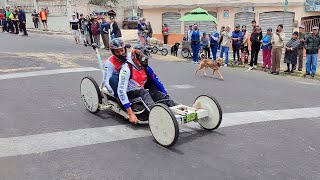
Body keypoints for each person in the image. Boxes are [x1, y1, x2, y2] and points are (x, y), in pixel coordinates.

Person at [118, 49, 176, 124]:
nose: (144, 61)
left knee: (158, 94)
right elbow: (121, 91)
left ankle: (175, 109)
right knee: (144, 92)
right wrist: (130, 113)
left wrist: (165, 94)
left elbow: (157, 81)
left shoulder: (145, 67)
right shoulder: (126, 69)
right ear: (135, 59)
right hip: (130, 94)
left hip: (142, 91)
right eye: (142, 59)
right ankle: (156, 114)